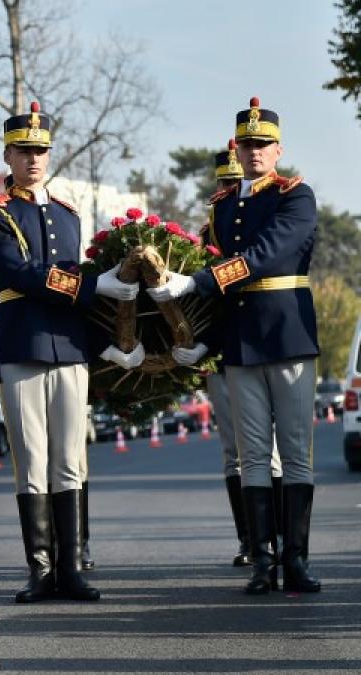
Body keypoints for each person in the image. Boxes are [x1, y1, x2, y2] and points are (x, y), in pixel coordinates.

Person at [149, 97, 320, 595]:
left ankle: (296, 561)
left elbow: (266, 255)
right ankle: (263, 562)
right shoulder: (222, 207)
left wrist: (197, 282)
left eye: (264, 143)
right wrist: (205, 342)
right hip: (242, 342)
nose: (255, 151)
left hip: (287, 337)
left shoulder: (296, 196)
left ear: (278, 149)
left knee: (295, 453)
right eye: (247, 144)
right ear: (237, 150)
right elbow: (228, 294)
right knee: (253, 455)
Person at [0, 102, 138, 603]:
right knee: (31, 462)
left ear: (49, 155)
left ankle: (70, 568)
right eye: (23, 151)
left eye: (40, 151)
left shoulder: (68, 215)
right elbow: (14, 272)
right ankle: (40, 569)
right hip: (23, 343)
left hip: (69, 347)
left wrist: (106, 343)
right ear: (7, 156)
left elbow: (72, 282)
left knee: (70, 460)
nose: (33, 159)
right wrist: (91, 287)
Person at [205, 140, 285, 569]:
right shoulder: (208, 233)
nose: (230, 190)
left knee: (272, 449)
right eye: (225, 184)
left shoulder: (271, 212)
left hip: (265, 343)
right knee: (235, 452)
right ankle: (251, 539)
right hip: (223, 352)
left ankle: (279, 538)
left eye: (235, 183)